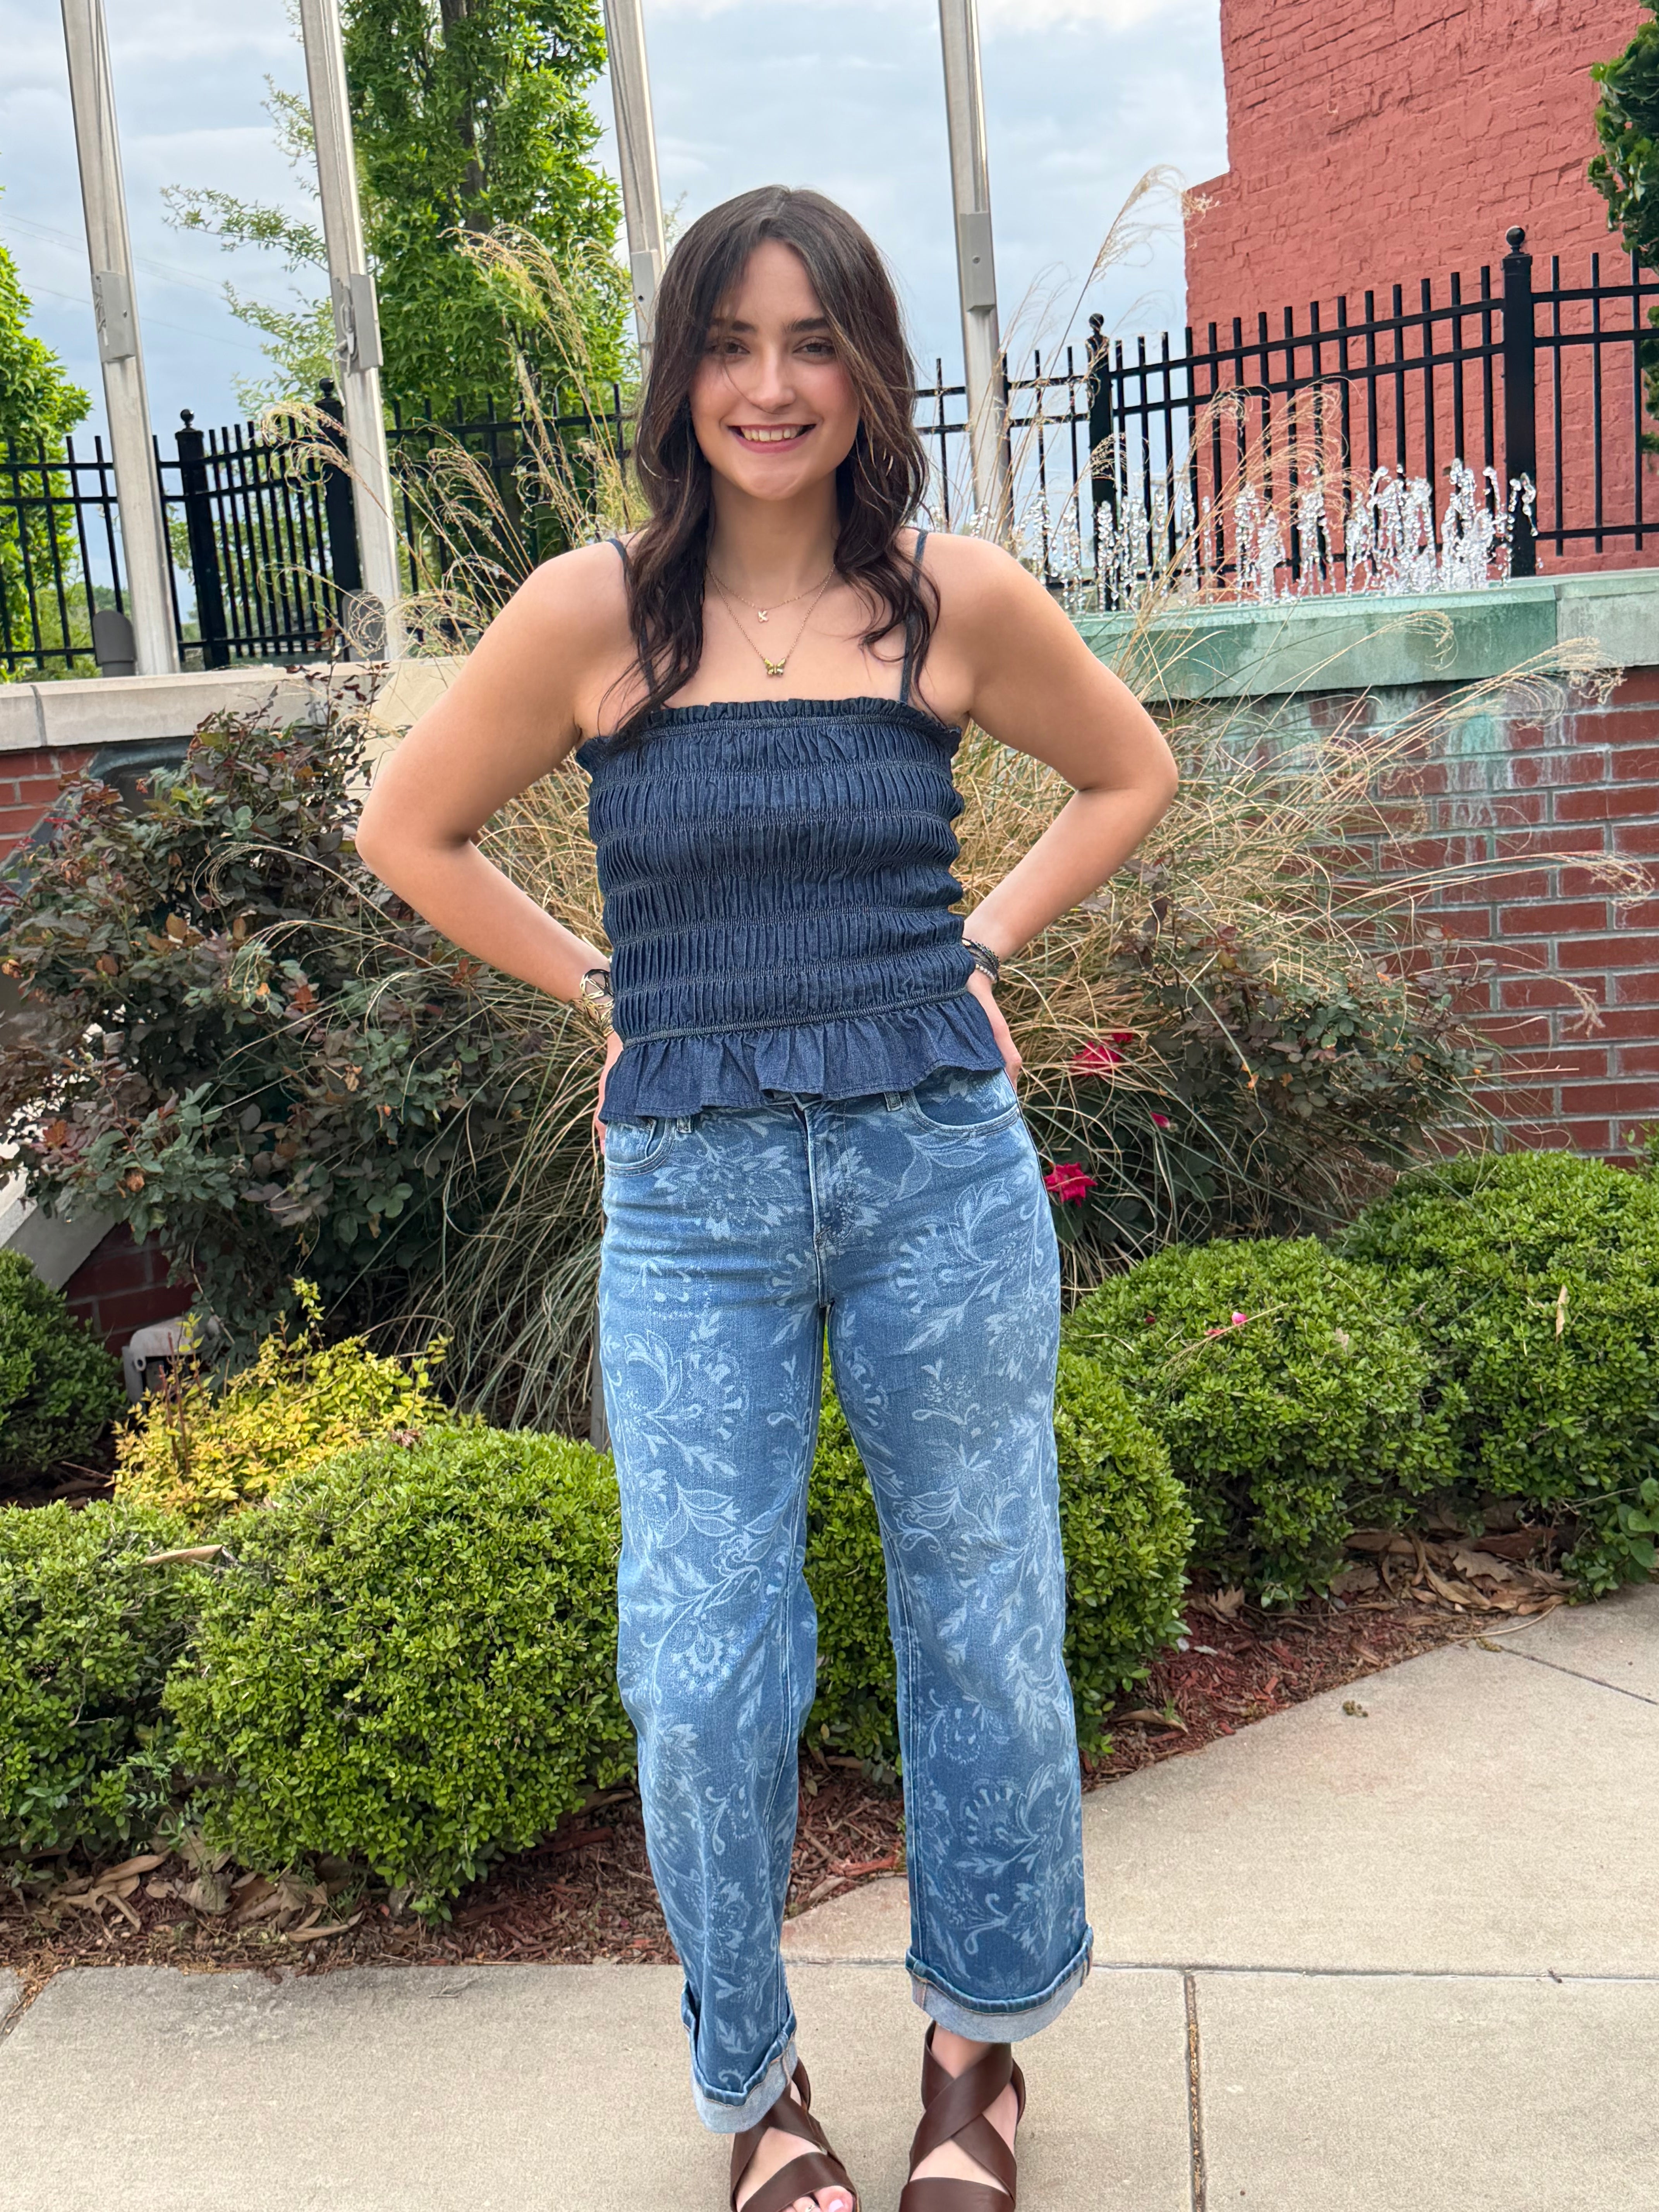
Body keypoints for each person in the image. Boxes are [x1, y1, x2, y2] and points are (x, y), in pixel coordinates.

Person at [357, 184, 1177, 2212]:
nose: (772, 383)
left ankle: (976, 2050)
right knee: (705, 1649)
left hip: (937, 1172)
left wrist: (978, 947)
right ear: (681, 374)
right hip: (699, 1200)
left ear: (867, 370)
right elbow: (414, 826)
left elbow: (1128, 771)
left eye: (814, 343)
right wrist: (602, 987)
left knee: (981, 1614)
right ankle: (756, 2082)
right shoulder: (592, 614)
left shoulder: (950, 602)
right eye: (732, 342)